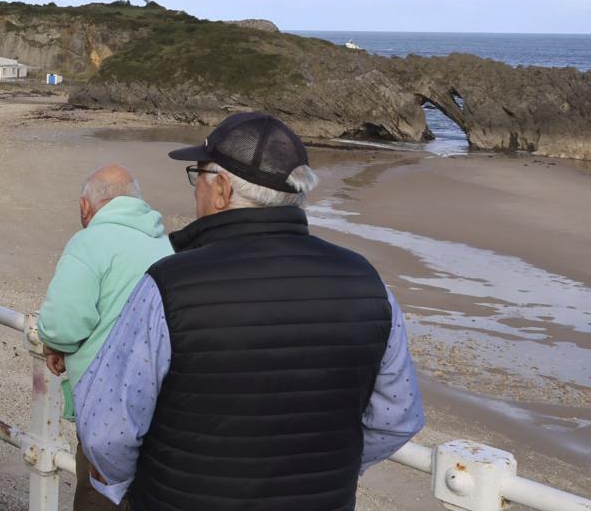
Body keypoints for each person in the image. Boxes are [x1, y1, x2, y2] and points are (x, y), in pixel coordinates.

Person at [76, 112, 425, 510]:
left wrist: (129, 486)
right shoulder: (368, 283)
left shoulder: (169, 286)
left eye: (198, 175)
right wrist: (330, 470)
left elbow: (107, 432)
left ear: (222, 189)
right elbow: (397, 418)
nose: (196, 192)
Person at [36, 164, 172, 511]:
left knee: (99, 496)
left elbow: (63, 325)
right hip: (161, 401)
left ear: (86, 206)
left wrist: (56, 346)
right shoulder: (163, 242)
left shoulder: (90, 241)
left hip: (108, 410)